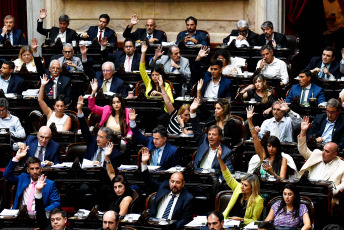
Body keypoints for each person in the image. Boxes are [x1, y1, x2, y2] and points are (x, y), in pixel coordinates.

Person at [140, 150, 194, 229]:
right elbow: (148, 180)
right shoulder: (164, 187)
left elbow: (184, 220)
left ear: (183, 184)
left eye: (178, 182)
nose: (174, 185)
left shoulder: (188, 198)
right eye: (172, 182)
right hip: (153, 226)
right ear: (169, 182)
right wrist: (144, 163)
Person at [298, 116, 344, 200]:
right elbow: (302, 150)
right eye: (323, 150)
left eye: (327, 151)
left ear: (335, 154)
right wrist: (303, 131)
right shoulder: (317, 154)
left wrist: (332, 191)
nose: (323, 153)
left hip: (326, 197)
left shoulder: (342, 165)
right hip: (308, 191)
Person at [3, 147, 60, 212]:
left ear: (41, 169)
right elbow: (6, 175)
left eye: (37, 168)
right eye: (32, 169)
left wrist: (42, 212)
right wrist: (17, 158)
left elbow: (56, 203)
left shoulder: (50, 184)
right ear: (28, 170)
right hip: (20, 215)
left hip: (38, 217)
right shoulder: (22, 178)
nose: (35, 171)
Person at [217, 145, 263, 225]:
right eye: (242, 183)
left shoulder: (258, 200)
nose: (242, 186)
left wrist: (241, 219)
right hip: (227, 223)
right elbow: (228, 176)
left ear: (252, 188)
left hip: (243, 226)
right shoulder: (238, 188)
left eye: (245, 185)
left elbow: (255, 221)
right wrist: (220, 159)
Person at [189, 97, 234, 172]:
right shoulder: (203, 141)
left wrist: (219, 180)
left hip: (213, 180)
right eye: (209, 134)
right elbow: (196, 129)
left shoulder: (226, 152)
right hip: (197, 176)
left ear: (220, 137)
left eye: (214, 134)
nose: (210, 137)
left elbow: (228, 173)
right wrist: (192, 111)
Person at [77, 96, 122, 169]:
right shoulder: (92, 142)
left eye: (101, 137)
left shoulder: (115, 153)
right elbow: (84, 129)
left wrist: (100, 165)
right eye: (98, 136)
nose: (97, 139)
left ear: (108, 140)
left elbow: (111, 172)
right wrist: (80, 110)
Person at [88, 79, 132, 149]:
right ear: (111, 104)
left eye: (118, 102)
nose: (116, 104)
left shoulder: (127, 112)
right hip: (106, 140)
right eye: (114, 103)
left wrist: (129, 135)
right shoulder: (106, 109)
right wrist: (93, 92)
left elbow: (129, 129)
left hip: (120, 141)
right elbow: (92, 107)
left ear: (121, 103)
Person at [247, 105, 288, 180]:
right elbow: (254, 136)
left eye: (274, 146)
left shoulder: (283, 160)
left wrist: (271, 172)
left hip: (275, 188)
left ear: (278, 147)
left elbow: (282, 179)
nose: (271, 149)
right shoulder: (263, 156)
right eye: (269, 146)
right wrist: (249, 120)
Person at [140, 42, 174, 112]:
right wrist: (143, 53)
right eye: (153, 75)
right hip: (149, 110)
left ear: (161, 75)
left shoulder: (166, 85)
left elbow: (171, 101)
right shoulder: (148, 82)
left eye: (157, 75)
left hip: (162, 110)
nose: (154, 77)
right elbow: (142, 69)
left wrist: (160, 93)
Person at [104, 142, 133, 217]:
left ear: (125, 186)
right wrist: (106, 156)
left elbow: (120, 217)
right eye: (115, 187)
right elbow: (111, 173)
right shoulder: (118, 196)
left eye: (120, 186)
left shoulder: (126, 198)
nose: (117, 190)